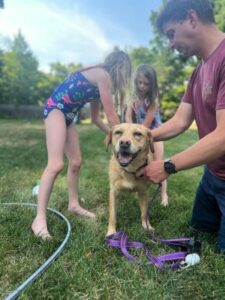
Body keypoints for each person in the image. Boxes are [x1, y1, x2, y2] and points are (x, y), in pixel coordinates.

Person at [139, 0, 225, 252]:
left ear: (191, 18)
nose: (170, 44)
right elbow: (180, 121)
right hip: (212, 176)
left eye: (170, 34)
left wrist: (168, 165)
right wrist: (141, 136)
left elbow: (223, 137)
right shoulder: (198, 72)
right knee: (198, 231)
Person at [32, 50, 132, 239]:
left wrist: (113, 136)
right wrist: (123, 136)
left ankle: (73, 204)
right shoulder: (103, 75)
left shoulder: (98, 83)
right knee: (55, 164)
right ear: (122, 68)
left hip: (68, 115)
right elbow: (111, 115)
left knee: (76, 162)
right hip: (56, 110)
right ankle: (39, 219)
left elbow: (96, 118)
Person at [125, 64, 168, 206]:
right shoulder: (132, 98)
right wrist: (129, 133)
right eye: (140, 82)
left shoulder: (153, 101)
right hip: (138, 134)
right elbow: (128, 119)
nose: (142, 86)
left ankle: (164, 195)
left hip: (155, 133)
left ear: (152, 84)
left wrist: (135, 134)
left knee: (158, 163)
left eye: (146, 84)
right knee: (139, 163)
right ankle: (141, 190)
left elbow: (147, 125)